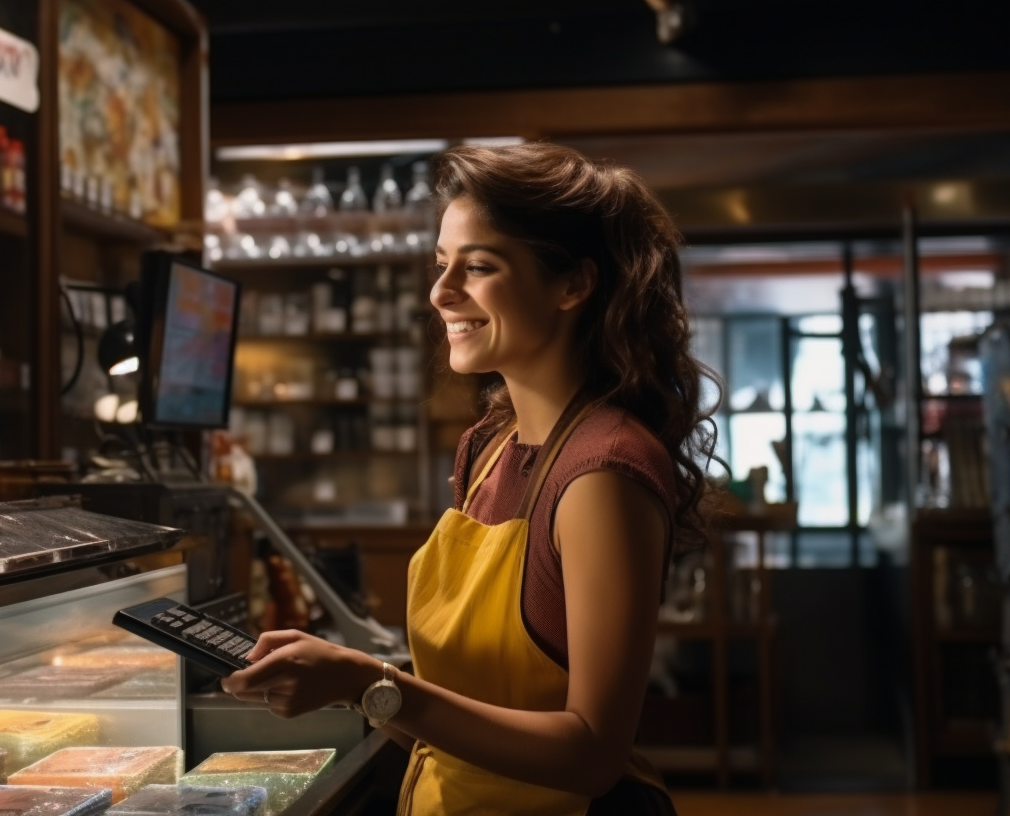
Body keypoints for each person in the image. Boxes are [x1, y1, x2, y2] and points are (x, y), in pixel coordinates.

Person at [221, 142, 721, 815]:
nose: (440, 292)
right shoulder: (489, 445)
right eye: (440, 264)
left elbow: (593, 754)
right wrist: (348, 687)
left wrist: (373, 682)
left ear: (573, 283)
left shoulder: (604, 473)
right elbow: (457, 712)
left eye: (478, 266)